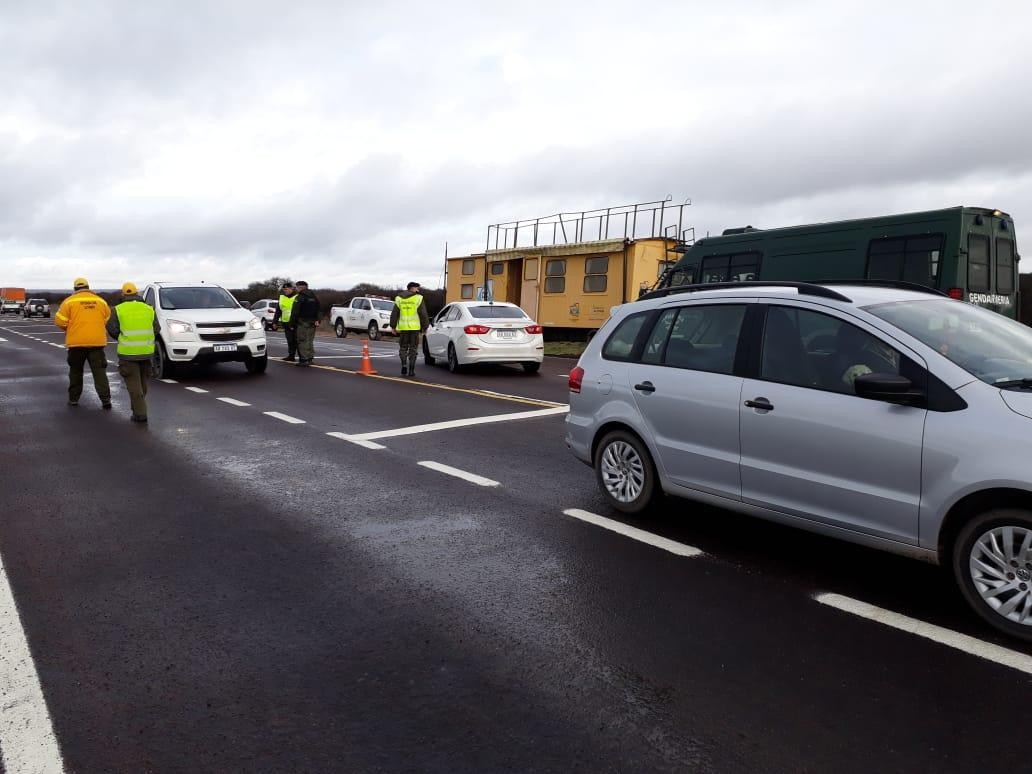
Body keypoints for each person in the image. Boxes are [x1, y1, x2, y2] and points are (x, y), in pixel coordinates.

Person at [54, 277, 112, 408]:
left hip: (76, 344)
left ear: (75, 288)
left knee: (75, 371)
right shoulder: (100, 301)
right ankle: (106, 400)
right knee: (99, 372)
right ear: (88, 287)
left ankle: (74, 399)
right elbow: (107, 318)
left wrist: (70, 328)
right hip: (97, 343)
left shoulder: (68, 302)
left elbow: (59, 321)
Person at [106, 282, 158, 423]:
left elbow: (112, 329)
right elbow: (156, 329)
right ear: (137, 293)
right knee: (142, 384)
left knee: (134, 385)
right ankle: (138, 407)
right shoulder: (149, 309)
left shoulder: (118, 309)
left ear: (123, 294)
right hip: (146, 352)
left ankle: (140, 414)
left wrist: (123, 338)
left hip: (128, 353)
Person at [390, 281, 430, 378]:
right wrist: (425, 327)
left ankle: (404, 365)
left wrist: (393, 326)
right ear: (412, 288)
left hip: (404, 328)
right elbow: (423, 314)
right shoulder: (418, 298)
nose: (418, 290)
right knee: (413, 349)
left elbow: (395, 313)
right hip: (414, 328)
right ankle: (411, 370)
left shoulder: (399, 298)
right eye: (417, 288)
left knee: (403, 347)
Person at [291, 280, 320, 366]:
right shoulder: (314, 296)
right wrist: (318, 320)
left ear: (300, 287)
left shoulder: (300, 297)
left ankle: (304, 359)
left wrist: (292, 323)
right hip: (313, 321)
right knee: (309, 340)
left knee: (302, 340)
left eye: (296, 287)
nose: (295, 289)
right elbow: (319, 309)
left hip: (303, 322)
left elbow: (295, 311)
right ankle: (310, 358)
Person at [272, 282, 298, 361]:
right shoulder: (282, 297)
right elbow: (278, 311)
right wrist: (275, 322)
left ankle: (303, 357)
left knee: (297, 340)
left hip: (296, 322)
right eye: (284, 289)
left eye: (287, 289)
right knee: (290, 340)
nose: (285, 291)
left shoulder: (297, 297)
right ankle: (291, 356)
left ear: (292, 289)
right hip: (286, 322)